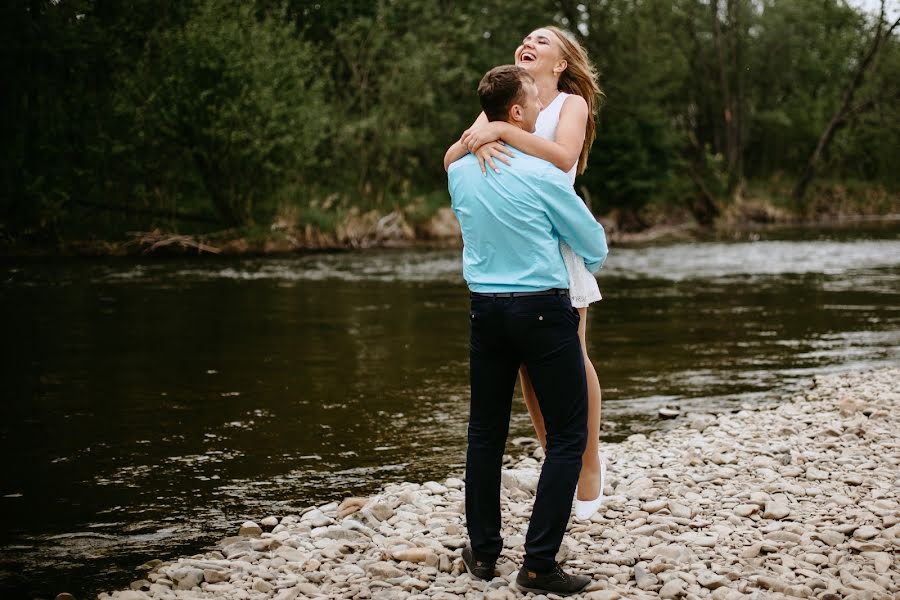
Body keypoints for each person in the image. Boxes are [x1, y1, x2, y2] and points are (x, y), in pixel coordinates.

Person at [448, 64, 608, 597]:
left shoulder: (461, 171)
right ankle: (539, 564)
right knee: (568, 436)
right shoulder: (541, 174)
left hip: (484, 312)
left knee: (484, 434)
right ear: (514, 113)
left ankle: (485, 553)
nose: (541, 110)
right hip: (541, 310)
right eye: (534, 102)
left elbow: (453, 160)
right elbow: (594, 244)